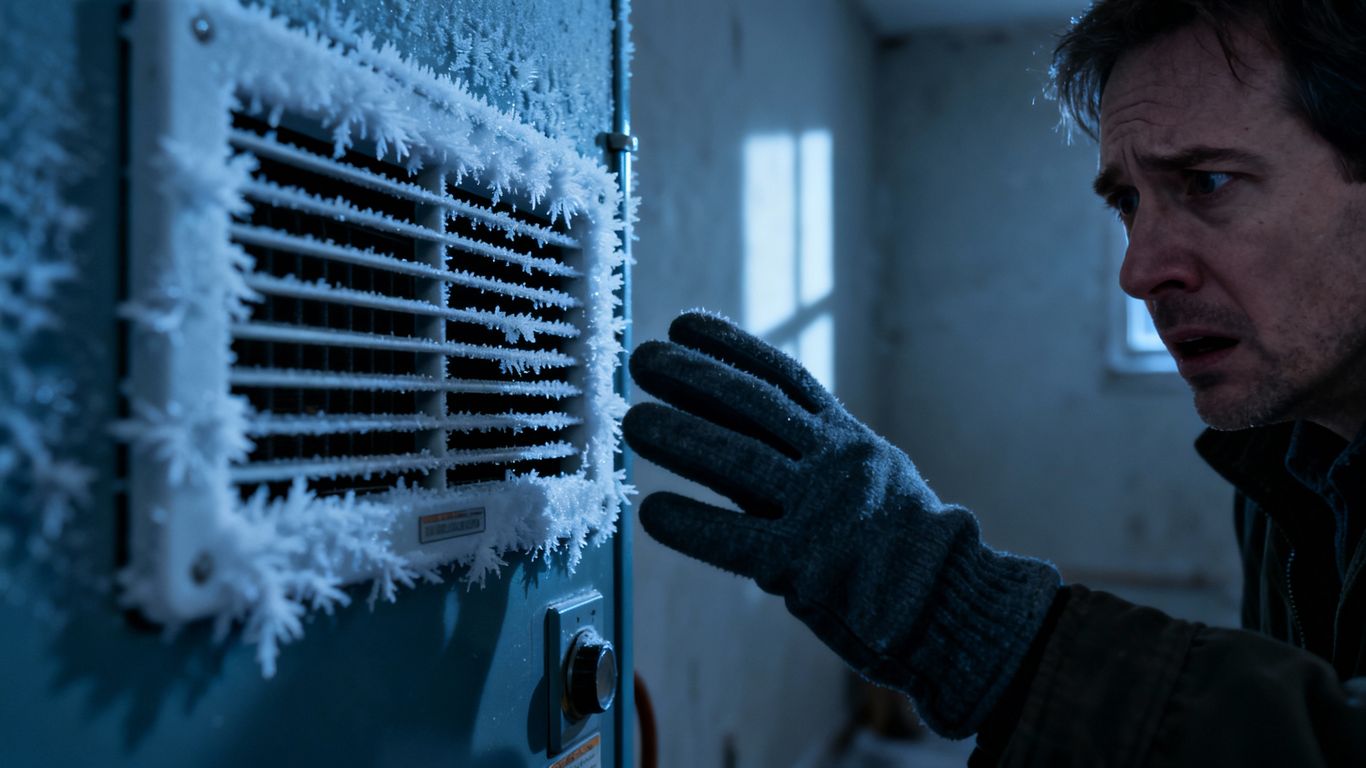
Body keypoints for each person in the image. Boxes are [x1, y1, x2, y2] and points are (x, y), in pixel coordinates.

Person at [621, 0, 1366, 764]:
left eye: (1208, 182)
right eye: (1128, 203)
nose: (1138, 272)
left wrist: (966, 616)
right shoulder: (1281, 459)